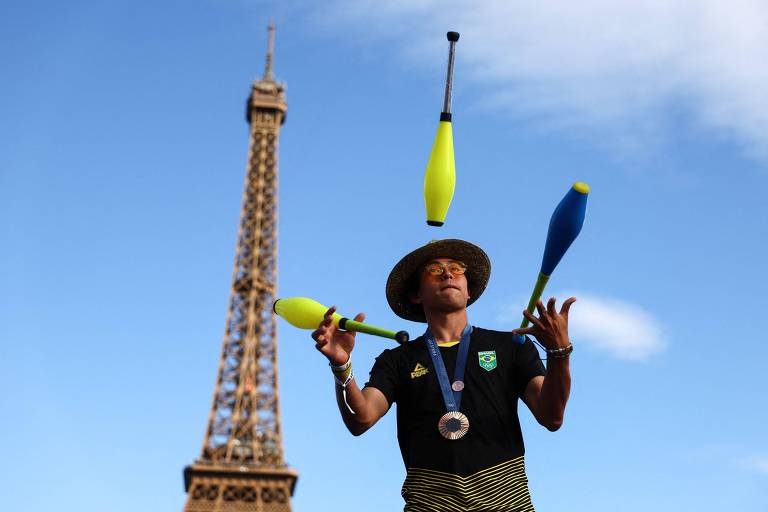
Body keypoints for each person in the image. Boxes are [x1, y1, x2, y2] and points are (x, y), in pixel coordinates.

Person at [312, 239, 574, 511]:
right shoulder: (398, 359)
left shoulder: (510, 346)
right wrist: (342, 365)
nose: (448, 273)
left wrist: (559, 352)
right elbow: (360, 418)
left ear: (468, 290)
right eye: (434, 269)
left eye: (457, 268)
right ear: (416, 294)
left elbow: (552, 416)